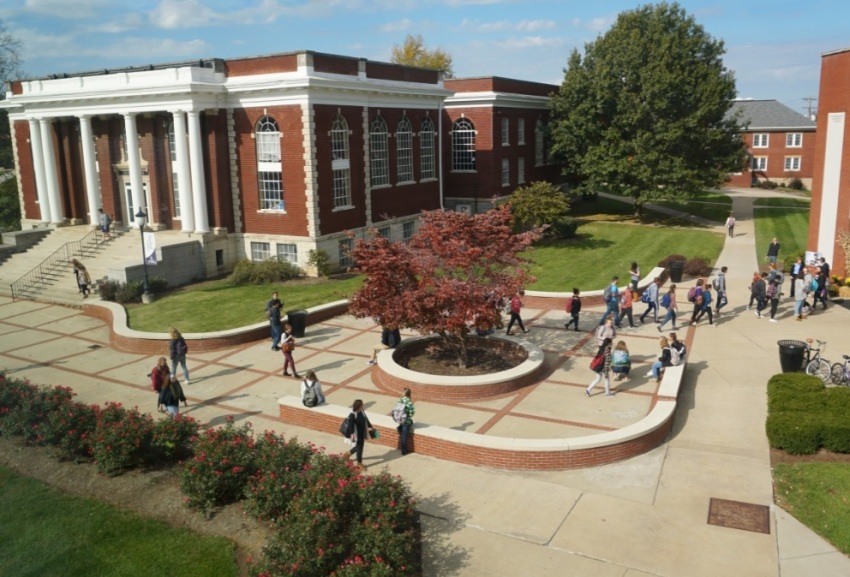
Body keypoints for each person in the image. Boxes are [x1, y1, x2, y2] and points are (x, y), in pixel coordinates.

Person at [346, 399, 374, 470]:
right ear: (359, 406)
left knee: (359, 446)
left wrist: (370, 426)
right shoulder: (352, 415)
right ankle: (359, 463)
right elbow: (350, 426)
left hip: (362, 432)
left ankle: (348, 454)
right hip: (356, 434)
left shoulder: (362, 411)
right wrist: (352, 435)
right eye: (362, 404)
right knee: (360, 448)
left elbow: (366, 419)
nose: (363, 405)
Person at [395, 388, 415, 456]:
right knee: (404, 436)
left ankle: (399, 427)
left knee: (402, 429)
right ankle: (404, 451)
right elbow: (412, 413)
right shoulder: (409, 402)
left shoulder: (400, 400)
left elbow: (396, 409)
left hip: (400, 419)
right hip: (406, 421)